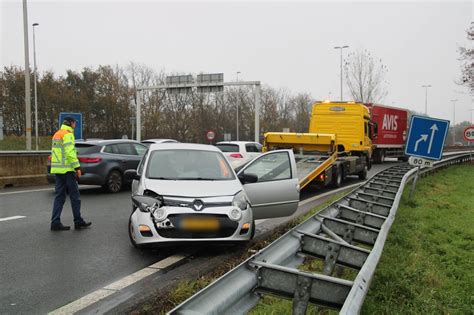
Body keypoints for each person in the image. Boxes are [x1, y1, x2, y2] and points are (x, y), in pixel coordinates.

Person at [50, 117, 91, 231]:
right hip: (67, 170)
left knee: (59, 196)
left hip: (58, 170)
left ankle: (55, 222)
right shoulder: (67, 134)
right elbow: (69, 152)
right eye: (74, 123)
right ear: (71, 123)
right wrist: (77, 167)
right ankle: (78, 221)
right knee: (75, 197)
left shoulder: (57, 134)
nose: (75, 125)